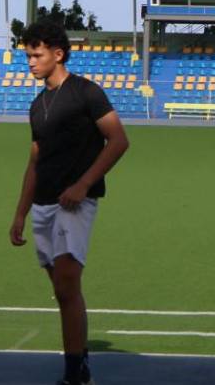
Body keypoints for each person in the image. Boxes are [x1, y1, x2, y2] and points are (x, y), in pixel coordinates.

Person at [9, 21, 130, 385]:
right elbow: (34, 161)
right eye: (27, 55)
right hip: (44, 204)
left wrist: (83, 184)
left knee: (66, 282)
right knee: (63, 292)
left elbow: (119, 140)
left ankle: (75, 373)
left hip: (76, 203)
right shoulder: (37, 105)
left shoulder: (86, 93)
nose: (30, 62)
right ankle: (79, 362)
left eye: (36, 54)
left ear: (57, 54)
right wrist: (19, 213)